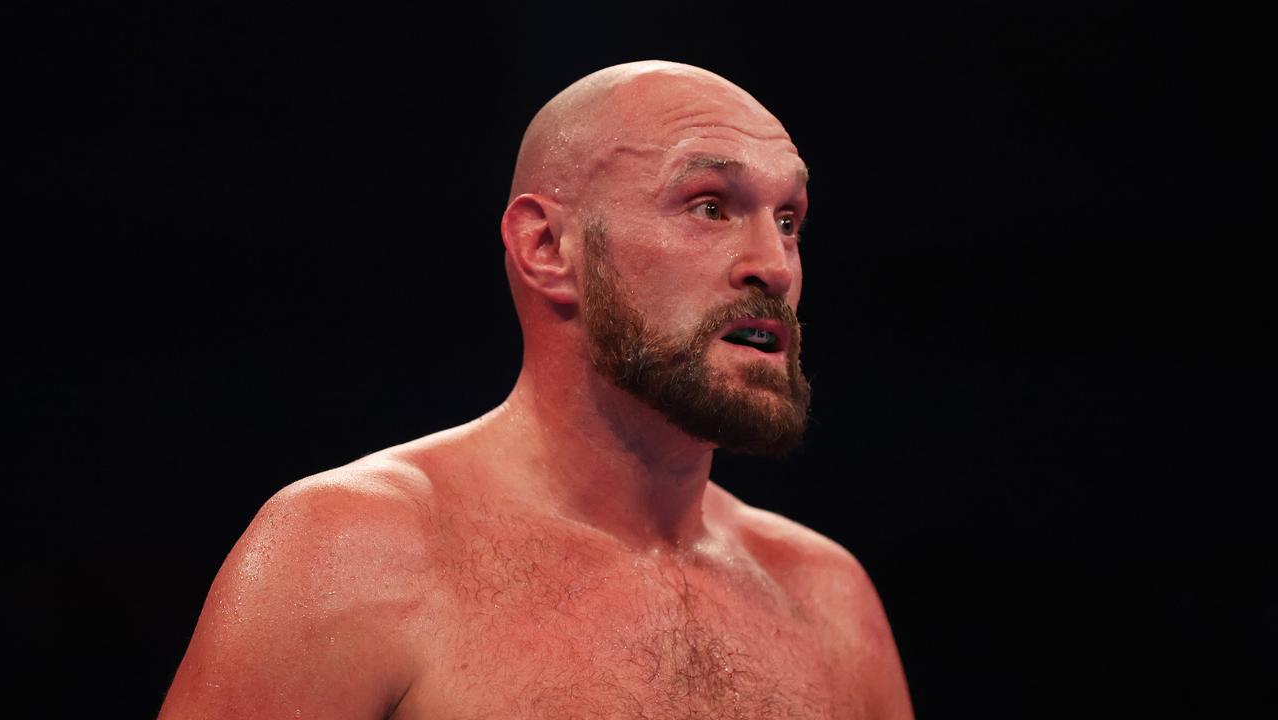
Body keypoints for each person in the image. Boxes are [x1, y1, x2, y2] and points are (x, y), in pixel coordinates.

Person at [159, 60, 913, 719]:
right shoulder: (350, 552)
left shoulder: (828, 600)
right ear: (548, 248)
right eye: (710, 206)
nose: (775, 266)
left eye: (788, 220)